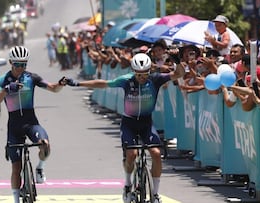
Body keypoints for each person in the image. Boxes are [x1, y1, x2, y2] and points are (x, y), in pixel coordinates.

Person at [64, 53, 186, 203]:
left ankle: (155, 193)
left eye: (145, 74)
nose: (142, 77)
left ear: (149, 71)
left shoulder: (156, 79)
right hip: (129, 124)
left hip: (146, 123)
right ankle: (128, 184)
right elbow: (103, 83)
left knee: (155, 153)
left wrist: (178, 60)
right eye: (138, 74)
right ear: (134, 71)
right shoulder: (126, 80)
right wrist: (78, 84)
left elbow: (179, 73)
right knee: (132, 155)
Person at [0, 46, 65, 203]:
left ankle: (40, 167)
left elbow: (53, 88)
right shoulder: (2, 80)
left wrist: (60, 84)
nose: (21, 68)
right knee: (16, 167)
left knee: (45, 144)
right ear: (10, 62)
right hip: (14, 127)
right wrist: (6, 90)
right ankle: (16, 199)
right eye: (18, 64)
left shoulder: (31, 77)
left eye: (24, 64)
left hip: (31, 123)